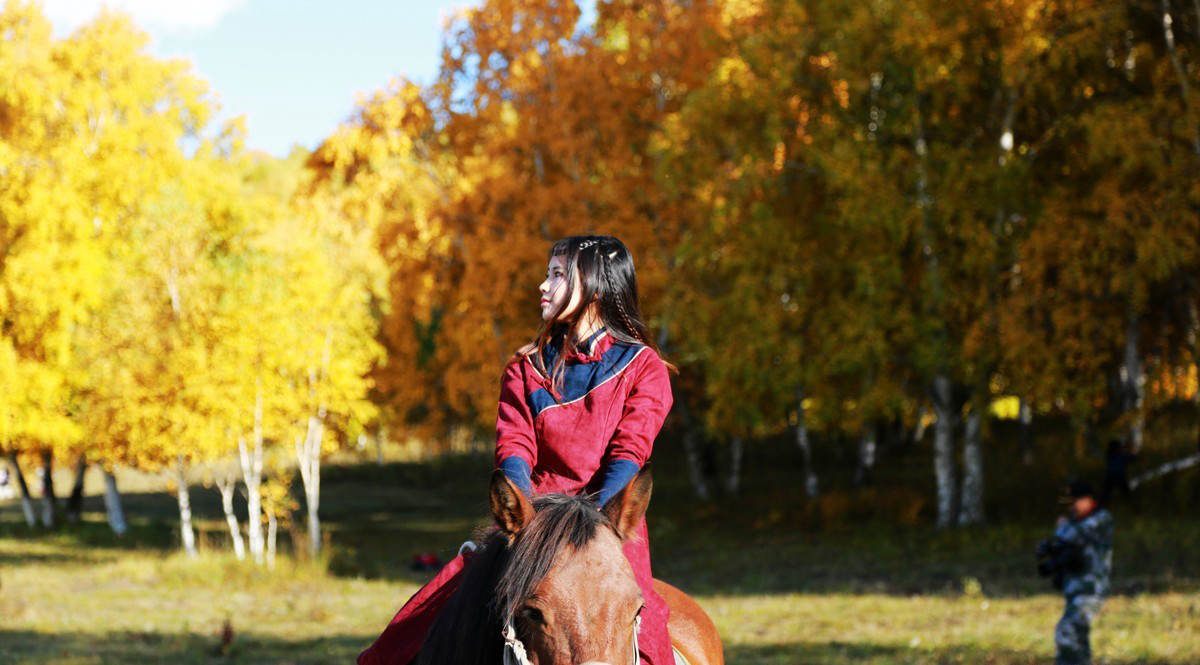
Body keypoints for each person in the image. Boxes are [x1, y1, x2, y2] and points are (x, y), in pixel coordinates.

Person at [358, 235, 675, 665]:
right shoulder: (525, 366)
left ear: (596, 287)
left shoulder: (644, 368)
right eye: (548, 274)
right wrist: (524, 519)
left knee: (647, 629)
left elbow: (630, 451)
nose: (543, 286)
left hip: (609, 520)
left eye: (558, 275)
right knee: (427, 615)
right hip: (534, 520)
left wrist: (599, 530)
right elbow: (515, 446)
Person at [1044, 480, 1114, 665]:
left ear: (1089, 500)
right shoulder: (1075, 522)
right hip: (1075, 589)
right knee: (1078, 641)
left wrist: (1061, 527)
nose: (1072, 507)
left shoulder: (1102, 518)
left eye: (1075, 501)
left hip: (1091, 589)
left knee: (1066, 632)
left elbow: (1072, 535)